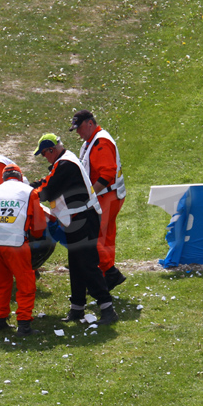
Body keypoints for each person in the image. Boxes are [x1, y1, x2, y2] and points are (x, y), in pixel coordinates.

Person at [30, 133, 119, 325]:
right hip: (78, 219)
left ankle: (107, 308)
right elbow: (48, 182)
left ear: (52, 150)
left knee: (87, 264)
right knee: (77, 266)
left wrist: (30, 192)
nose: (45, 157)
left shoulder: (65, 165)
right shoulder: (64, 162)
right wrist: (33, 187)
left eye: (44, 154)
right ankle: (77, 307)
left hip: (83, 219)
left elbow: (48, 191)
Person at [0, 164, 47, 337]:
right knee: (25, 283)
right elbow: (39, 226)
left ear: (4, 178)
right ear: (20, 176)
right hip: (16, 243)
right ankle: (24, 324)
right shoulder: (28, 192)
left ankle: (0, 320)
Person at [70, 109, 127, 290]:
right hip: (110, 195)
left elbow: (108, 173)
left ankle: (109, 273)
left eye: (79, 128)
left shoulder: (100, 142)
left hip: (106, 196)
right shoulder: (92, 141)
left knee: (95, 238)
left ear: (90, 124)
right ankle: (106, 275)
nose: (78, 133)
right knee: (106, 237)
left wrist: (90, 196)